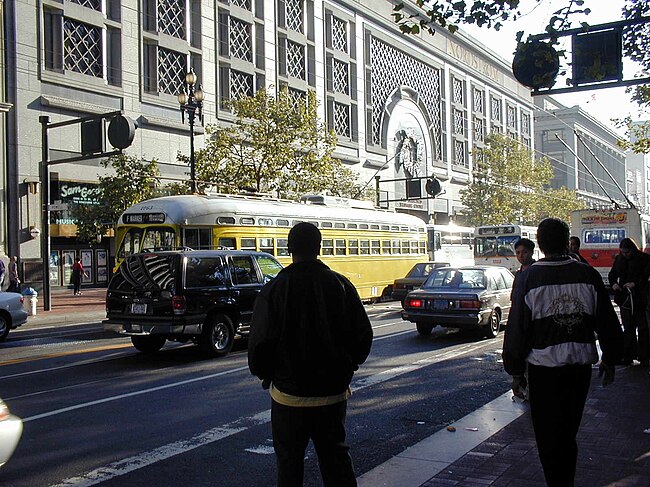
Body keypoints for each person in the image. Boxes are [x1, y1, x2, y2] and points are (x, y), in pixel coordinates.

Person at [248, 222, 373, 487]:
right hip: (332, 394)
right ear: (319, 248)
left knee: (289, 463)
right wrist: (348, 366)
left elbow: (259, 346)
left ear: (289, 248)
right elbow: (363, 338)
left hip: (288, 396)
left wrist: (268, 375)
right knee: (335, 458)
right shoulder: (341, 285)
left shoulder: (274, 290)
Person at [503, 218, 623, 487]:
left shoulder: (529, 278)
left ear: (540, 245)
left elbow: (517, 329)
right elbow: (607, 321)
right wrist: (610, 359)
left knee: (548, 436)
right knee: (568, 432)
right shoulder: (588, 274)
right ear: (566, 240)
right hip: (579, 370)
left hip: (543, 370)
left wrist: (515, 371)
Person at [609, 238, 650, 366]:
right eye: (623, 253)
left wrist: (635, 284)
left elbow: (645, 276)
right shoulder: (619, 259)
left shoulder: (644, 259)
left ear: (632, 250)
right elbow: (612, 274)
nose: (625, 255)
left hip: (639, 296)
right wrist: (614, 284)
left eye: (627, 252)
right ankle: (629, 355)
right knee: (628, 327)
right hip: (625, 296)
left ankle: (644, 356)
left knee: (642, 327)